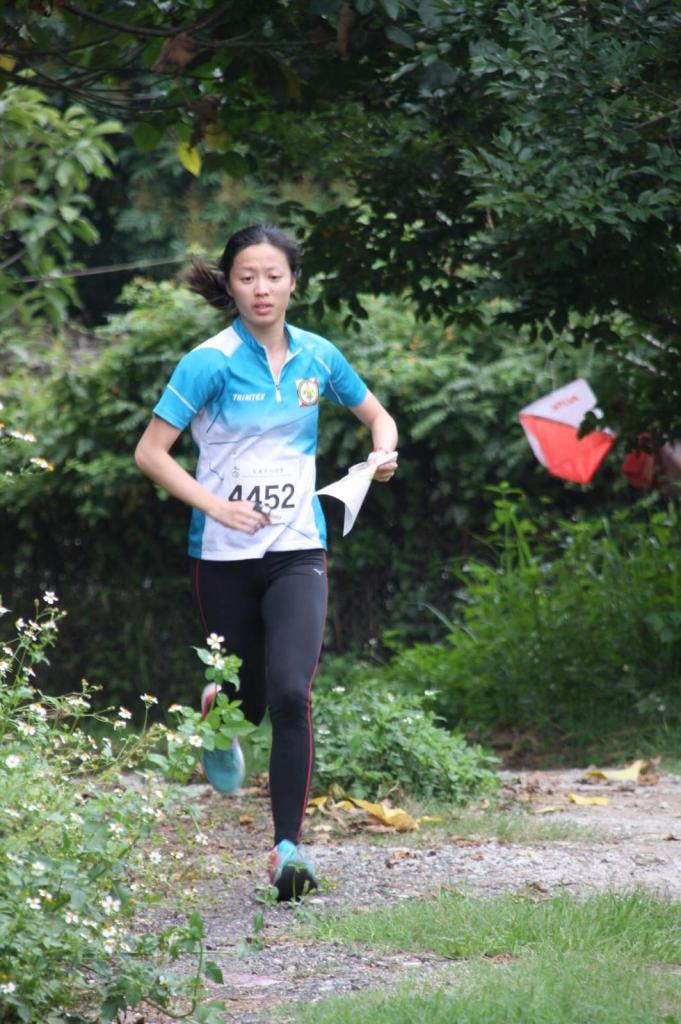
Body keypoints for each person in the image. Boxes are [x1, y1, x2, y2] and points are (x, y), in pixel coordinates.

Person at [134, 224, 398, 901]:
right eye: (247, 276)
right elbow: (151, 453)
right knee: (249, 699)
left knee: (289, 692)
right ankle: (219, 708)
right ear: (230, 284)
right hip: (222, 554)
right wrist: (216, 507)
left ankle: (287, 851)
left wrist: (382, 453)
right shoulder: (209, 362)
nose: (261, 288)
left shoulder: (318, 356)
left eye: (273, 276)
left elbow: (377, 416)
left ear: (292, 284)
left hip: (297, 547)